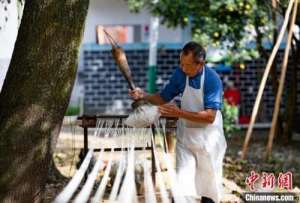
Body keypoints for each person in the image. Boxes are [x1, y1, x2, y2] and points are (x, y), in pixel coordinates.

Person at [129, 41, 227, 203]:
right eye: (181, 63)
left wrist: (178, 112)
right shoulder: (180, 74)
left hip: (209, 139)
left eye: (187, 65)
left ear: (200, 64)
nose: (182, 68)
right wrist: (143, 95)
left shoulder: (212, 80)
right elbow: (163, 97)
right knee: (182, 185)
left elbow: (210, 116)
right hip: (187, 137)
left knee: (209, 187)